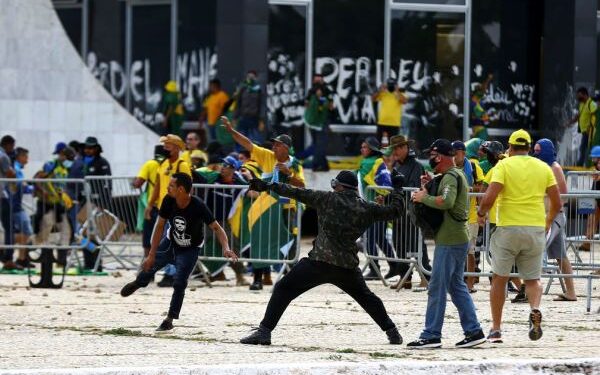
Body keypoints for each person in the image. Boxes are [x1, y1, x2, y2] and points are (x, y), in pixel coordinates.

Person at [240, 170, 405, 346]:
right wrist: (398, 189)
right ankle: (392, 332)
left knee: (283, 288)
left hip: (319, 263)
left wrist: (267, 186)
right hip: (346, 267)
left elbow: (295, 192)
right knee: (368, 299)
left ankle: (264, 332)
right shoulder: (367, 207)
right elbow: (395, 211)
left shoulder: (326, 198)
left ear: (338, 185)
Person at [120, 173, 238, 331]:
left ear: (181, 189)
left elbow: (217, 228)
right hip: (170, 242)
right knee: (149, 266)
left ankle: (169, 319)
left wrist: (226, 248)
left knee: (179, 282)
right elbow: (159, 226)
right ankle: (139, 282)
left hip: (190, 249)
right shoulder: (168, 200)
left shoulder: (198, 205)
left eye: (171, 186)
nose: (167, 188)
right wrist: (151, 254)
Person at [477, 129, 561, 343]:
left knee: (499, 279)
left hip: (508, 229)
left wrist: (481, 214)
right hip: (535, 228)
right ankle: (534, 308)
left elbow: (489, 196)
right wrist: (548, 222)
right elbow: (557, 202)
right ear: (530, 147)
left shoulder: (504, 165)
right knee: (532, 280)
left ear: (511, 147)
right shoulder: (543, 167)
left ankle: (496, 329)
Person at [407, 139, 485, 349]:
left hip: (450, 240)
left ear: (439, 156)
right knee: (456, 286)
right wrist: (430, 185)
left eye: (432, 155)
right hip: (455, 238)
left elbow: (447, 202)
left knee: (437, 286)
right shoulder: (451, 176)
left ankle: (431, 334)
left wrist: (424, 198)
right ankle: (474, 331)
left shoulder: (451, 176)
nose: (430, 159)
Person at [145, 134, 192, 287]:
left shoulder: (182, 165)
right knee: (161, 241)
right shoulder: (163, 163)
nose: (165, 147)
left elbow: (188, 187)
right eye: (164, 144)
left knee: (171, 242)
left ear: (177, 147)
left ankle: (171, 274)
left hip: (177, 209)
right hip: (163, 208)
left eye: (168, 145)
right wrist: (150, 204)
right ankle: (164, 272)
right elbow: (158, 185)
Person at [533, 139, 577, 301]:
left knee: (536, 249)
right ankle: (571, 292)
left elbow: (563, 195)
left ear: (546, 150)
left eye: (538, 150)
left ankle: (529, 288)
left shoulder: (555, 167)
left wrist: (550, 212)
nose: (535, 153)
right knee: (561, 256)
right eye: (534, 150)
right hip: (547, 215)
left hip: (554, 216)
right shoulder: (542, 168)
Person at [388, 135, 432, 288]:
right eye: (394, 148)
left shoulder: (416, 166)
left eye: (399, 147)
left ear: (406, 147)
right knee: (398, 244)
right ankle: (405, 277)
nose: (396, 151)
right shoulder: (397, 167)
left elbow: (413, 188)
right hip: (399, 212)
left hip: (411, 212)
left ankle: (426, 276)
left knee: (417, 245)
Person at [358, 136, 396, 280]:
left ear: (372, 149)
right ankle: (395, 266)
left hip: (375, 207)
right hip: (373, 206)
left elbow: (382, 186)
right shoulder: (375, 162)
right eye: (361, 147)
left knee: (370, 238)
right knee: (379, 238)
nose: (362, 149)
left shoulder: (373, 163)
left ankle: (375, 269)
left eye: (365, 147)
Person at [452, 140, 485, 293]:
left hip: (471, 214)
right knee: (454, 249)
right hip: (454, 214)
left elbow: (481, 187)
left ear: (463, 153)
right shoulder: (450, 167)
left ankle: (470, 282)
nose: (453, 156)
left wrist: (481, 212)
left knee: (470, 251)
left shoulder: (472, 166)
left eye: (455, 153)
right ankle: (456, 280)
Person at [133, 145, 167, 259]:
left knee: (148, 240)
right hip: (167, 206)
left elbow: (138, 183)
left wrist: (133, 182)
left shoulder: (150, 164)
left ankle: (148, 268)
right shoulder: (169, 165)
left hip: (153, 207)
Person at [9, 147, 33, 268]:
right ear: (20, 157)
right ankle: (7, 248)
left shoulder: (17, 168)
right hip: (15, 206)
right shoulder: (16, 168)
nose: (27, 160)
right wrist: (31, 188)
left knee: (24, 231)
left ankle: (22, 258)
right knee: (26, 231)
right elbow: (19, 184)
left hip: (15, 205)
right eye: (26, 157)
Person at [303, 74, 332, 171]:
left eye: (319, 81)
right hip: (313, 122)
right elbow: (306, 104)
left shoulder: (327, 91)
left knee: (320, 144)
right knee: (317, 144)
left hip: (323, 122)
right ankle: (324, 165)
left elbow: (331, 106)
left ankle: (316, 165)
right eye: (316, 81)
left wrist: (322, 103)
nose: (318, 84)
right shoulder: (311, 92)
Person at [372, 78, 408, 142]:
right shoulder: (383, 93)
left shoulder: (400, 93)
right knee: (377, 143)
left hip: (394, 123)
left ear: (396, 85)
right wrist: (380, 90)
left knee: (393, 145)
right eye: (389, 85)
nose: (391, 86)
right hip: (382, 122)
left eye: (392, 85)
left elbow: (404, 101)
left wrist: (397, 91)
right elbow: (373, 99)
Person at [568, 87, 597, 167]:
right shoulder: (582, 104)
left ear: (585, 95)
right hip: (585, 131)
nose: (578, 98)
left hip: (590, 131)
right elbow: (579, 115)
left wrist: (590, 126)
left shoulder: (591, 104)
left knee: (586, 148)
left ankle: (585, 164)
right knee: (584, 148)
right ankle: (583, 163)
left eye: (580, 96)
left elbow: (594, 115)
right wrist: (570, 122)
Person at [0, 135, 17, 270]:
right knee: (9, 227)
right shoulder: (3, 156)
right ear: (8, 144)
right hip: (1, 196)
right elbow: (10, 173)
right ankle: (8, 258)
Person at [234, 70, 263, 144]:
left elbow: (262, 105)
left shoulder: (259, 89)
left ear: (256, 78)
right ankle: (241, 153)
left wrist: (261, 119)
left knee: (255, 140)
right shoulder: (243, 88)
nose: (250, 78)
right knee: (241, 139)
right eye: (249, 76)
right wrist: (235, 117)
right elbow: (238, 103)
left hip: (254, 118)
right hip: (243, 117)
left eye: (252, 77)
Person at [470, 74, 493, 140]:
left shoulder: (481, 103)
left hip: (482, 129)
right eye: (480, 91)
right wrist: (483, 118)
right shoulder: (471, 104)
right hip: (476, 129)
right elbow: (473, 117)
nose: (483, 93)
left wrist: (487, 117)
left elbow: (485, 116)